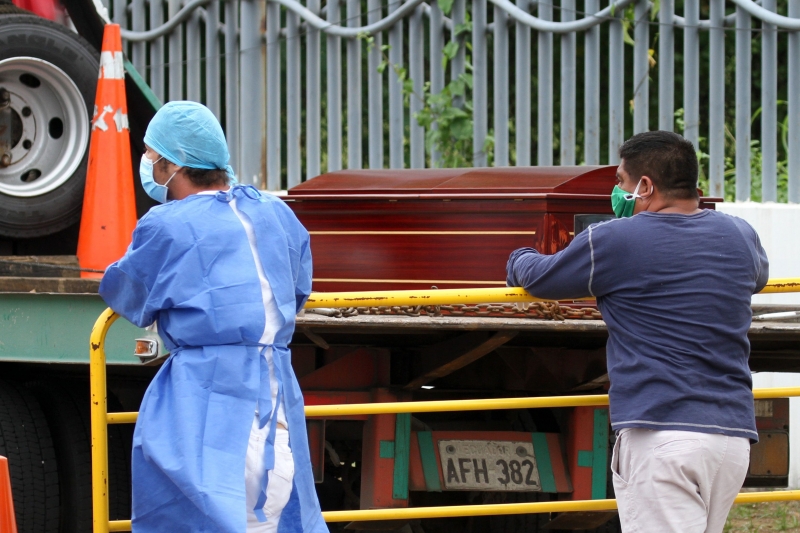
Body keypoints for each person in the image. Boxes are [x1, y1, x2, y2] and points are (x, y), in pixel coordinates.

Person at [506, 130, 769, 533]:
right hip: (730, 439)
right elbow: (758, 278)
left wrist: (517, 255)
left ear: (645, 186)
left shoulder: (614, 241)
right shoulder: (739, 235)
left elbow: (541, 277)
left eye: (620, 181)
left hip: (662, 436)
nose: (617, 191)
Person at [99, 101, 326, 533]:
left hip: (205, 399)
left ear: (173, 164)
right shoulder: (276, 212)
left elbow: (126, 293)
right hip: (276, 397)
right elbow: (297, 288)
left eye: (150, 155)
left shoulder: (165, 225)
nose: (145, 164)